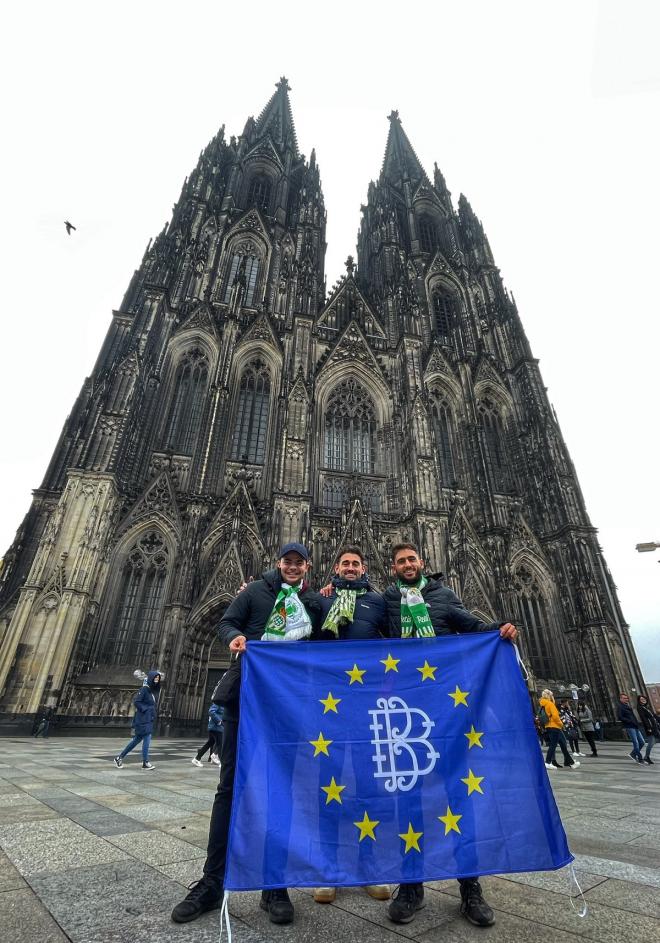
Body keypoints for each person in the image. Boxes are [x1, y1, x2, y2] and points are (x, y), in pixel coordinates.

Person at [170, 543, 324, 927]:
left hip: (290, 706)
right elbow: (226, 622)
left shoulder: (315, 603)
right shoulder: (255, 591)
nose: (292, 567)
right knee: (230, 789)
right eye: (287, 561)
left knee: (281, 790)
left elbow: (328, 646)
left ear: (307, 566)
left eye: (298, 562)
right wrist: (233, 638)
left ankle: (275, 886)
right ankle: (212, 882)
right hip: (246, 700)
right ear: (279, 564)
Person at [382, 542, 518, 928]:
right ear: (393, 568)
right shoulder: (387, 600)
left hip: (447, 712)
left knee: (459, 798)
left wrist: (500, 629)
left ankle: (470, 888)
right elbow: (355, 630)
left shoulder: (442, 595)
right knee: (409, 801)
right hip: (406, 714)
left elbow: (471, 626)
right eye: (401, 561)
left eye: (412, 559)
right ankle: (411, 887)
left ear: (421, 563)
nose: (408, 565)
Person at [314, 544, 391, 905]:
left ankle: (369, 866)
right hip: (329, 711)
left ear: (363, 569)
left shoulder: (378, 603)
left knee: (368, 789)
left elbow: (404, 639)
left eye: (355, 564)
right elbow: (292, 630)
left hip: (365, 709)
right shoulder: (321, 601)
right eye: (344, 563)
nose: (350, 568)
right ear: (336, 567)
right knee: (328, 789)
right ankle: (328, 870)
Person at [114, 670, 163, 770]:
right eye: (155, 678)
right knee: (147, 738)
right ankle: (145, 762)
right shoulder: (144, 689)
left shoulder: (153, 691)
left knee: (136, 740)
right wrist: (146, 709)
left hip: (149, 718)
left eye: (158, 678)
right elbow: (137, 702)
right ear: (151, 678)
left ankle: (119, 758)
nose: (157, 680)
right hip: (143, 719)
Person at [538, 690, 580, 771]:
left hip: (549, 726)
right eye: (552, 695)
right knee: (553, 745)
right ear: (549, 696)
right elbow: (555, 717)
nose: (553, 697)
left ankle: (570, 763)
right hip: (554, 726)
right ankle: (548, 762)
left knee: (563, 744)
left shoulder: (543, 704)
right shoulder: (550, 704)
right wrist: (561, 724)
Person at [192, 702, 224, 768]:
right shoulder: (218, 702)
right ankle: (222, 762)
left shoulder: (223, 703)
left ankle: (197, 758)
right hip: (216, 727)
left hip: (216, 727)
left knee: (210, 743)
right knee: (220, 744)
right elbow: (211, 711)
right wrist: (219, 721)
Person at [618, 693, 645, 764]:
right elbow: (620, 717)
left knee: (642, 742)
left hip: (635, 726)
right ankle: (640, 759)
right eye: (624, 698)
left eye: (627, 698)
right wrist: (629, 721)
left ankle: (633, 754)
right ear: (620, 699)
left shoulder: (627, 705)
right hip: (629, 726)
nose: (626, 699)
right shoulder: (620, 707)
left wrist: (635, 722)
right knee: (636, 743)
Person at [637, 695, 659, 765]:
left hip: (655, 727)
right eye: (641, 699)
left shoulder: (646, 707)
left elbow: (654, 716)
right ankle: (646, 757)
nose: (643, 700)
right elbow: (644, 718)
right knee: (651, 743)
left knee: (652, 742)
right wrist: (649, 728)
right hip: (650, 728)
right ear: (639, 701)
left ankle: (646, 757)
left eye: (644, 698)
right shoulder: (640, 708)